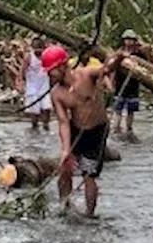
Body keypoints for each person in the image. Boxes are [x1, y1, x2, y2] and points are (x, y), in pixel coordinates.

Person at [45, 43, 125, 218]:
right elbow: (63, 122)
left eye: (51, 71)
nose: (49, 75)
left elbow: (106, 69)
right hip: (76, 129)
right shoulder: (57, 94)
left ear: (61, 66)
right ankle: (64, 206)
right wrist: (66, 150)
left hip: (97, 131)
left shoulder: (86, 74)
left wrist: (118, 57)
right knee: (66, 170)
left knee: (89, 175)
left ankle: (89, 215)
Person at [111, 29, 147, 141]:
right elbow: (113, 68)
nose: (129, 42)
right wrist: (111, 83)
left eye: (131, 40)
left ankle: (129, 129)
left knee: (131, 110)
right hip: (120, 84)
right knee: (118, 110)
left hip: (133, 85)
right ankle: (116, 128)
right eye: (127, 39)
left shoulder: (139, 54)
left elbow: (147, 66)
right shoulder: (119, 53)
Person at [16, 38, 52, 130]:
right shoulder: (29, 57)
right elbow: (22, 72)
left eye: (39, 48)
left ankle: (46, 126)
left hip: (45, 86)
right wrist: (20, 84)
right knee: (34, 112)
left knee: (47, 108)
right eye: (35, 48)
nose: (38, 51)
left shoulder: (47, 56)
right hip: (32, 87)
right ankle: (34, 128)